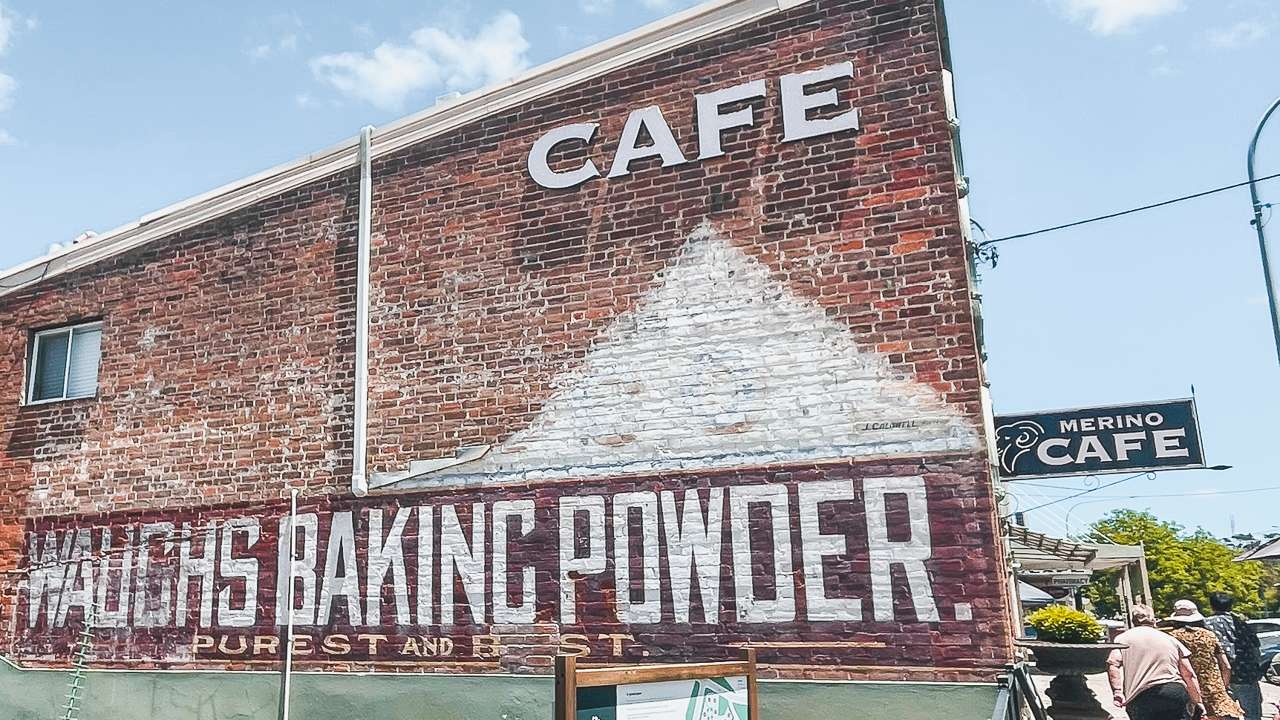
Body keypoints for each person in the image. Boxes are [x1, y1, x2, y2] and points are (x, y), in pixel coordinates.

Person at [1108, 604, 1207, 720]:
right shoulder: (1170, 639)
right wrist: (1198, 701)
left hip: (1141, 696)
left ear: (1133, 621)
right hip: (1174, 691)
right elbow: (1188, 674)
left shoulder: (1122, 639)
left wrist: (1117, 691)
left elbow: (1113, 663)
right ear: (1154, 620)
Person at [1164, 600, 1245, 720]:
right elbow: (1226, 666)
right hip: (1214, 692)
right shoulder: (1209, 635)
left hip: (1188, 693)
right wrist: (1222, 687)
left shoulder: (1172, 638)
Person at [1204, 592, 1265, 720]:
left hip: (1220, 676)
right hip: (1246, 674)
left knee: (1227, 714)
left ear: (1211, 606)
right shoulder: (1242, 624)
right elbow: (1256, 649)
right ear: (1231, 606)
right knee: (1252, 714)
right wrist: (1256, 670)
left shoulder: (1206, 624)